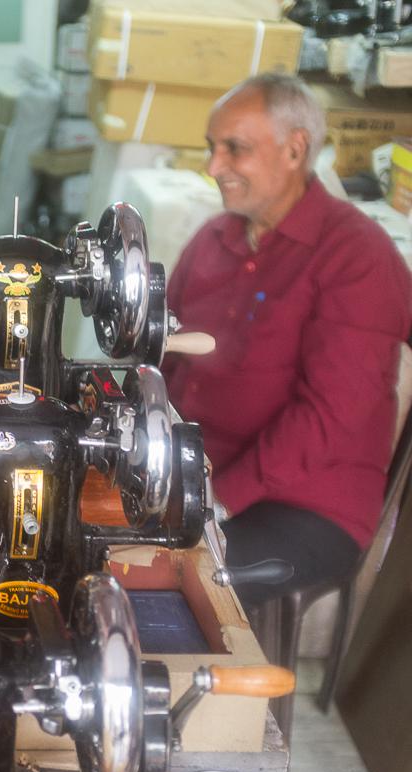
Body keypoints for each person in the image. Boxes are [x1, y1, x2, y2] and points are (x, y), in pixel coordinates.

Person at [162, 73, 412, 608]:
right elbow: (164, 354)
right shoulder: (214, 239)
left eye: (235, 149)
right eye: (212, 147)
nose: (213, 167)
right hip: (196, 474)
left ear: (296, 149)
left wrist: (216, 498)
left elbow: (331, 417)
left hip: (304, 506)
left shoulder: (357, 256)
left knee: (162, 584)